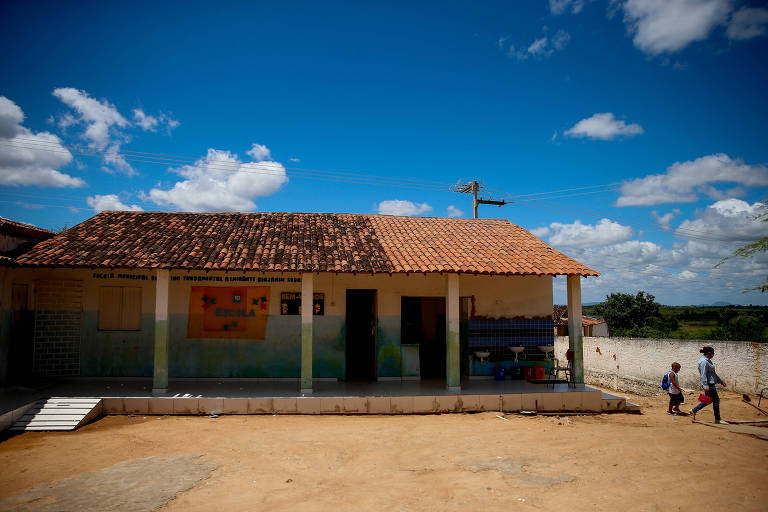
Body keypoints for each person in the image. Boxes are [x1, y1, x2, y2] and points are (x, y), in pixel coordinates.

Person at [691, 346, 728, 424]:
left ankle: (694, 410)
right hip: (709, 384)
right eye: (712, 353)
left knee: (709, 400)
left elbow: (712, 373)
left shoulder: (707, 361)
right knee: (715, 400)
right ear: (709, 353)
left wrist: (720, 381)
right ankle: (717, 419)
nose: (713, 355)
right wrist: (705, 386)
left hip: (710, 383)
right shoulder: (704, 362)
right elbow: (703, 374)